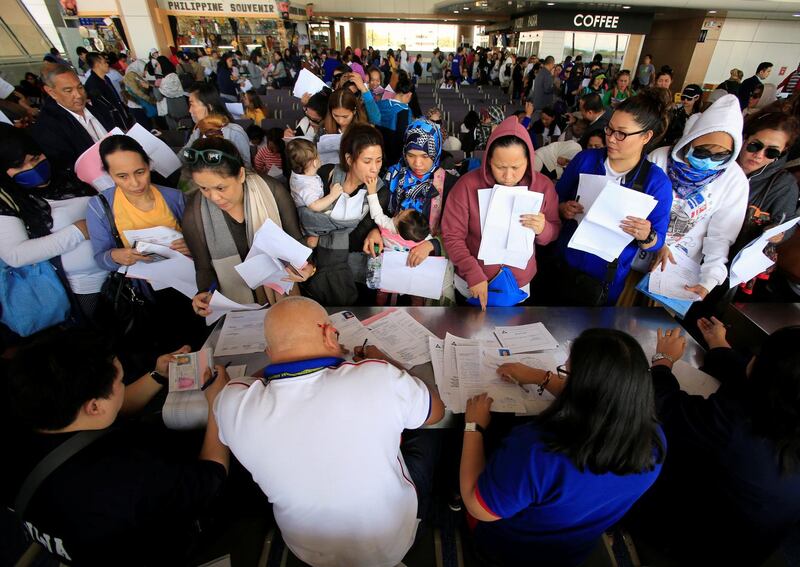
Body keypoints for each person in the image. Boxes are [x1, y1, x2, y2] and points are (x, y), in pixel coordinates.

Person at [213, 296, 444, 567]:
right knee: (430, 431)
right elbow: (436, 411)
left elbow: (253, 380)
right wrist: (388, 362)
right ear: (329, 333)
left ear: (268, 352)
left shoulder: (232, 404)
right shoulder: (377, 375)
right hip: (390, 543)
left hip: (306, 549)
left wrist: (286, 354)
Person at [6, 329, 229, 566]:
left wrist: (158, 375)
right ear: (93, 406)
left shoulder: (26, 428)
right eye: (121, 381)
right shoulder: (129, 477)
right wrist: (218, 403)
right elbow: (214, 472)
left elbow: (115, 409)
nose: (124, 385)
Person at [461, 328, 664, 566]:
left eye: (566, 373)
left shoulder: (537, 451)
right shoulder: (654, 441)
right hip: (574, 548)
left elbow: (478, 508)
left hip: (511, 550)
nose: (563, 377)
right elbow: (603, 402)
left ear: (582, 386)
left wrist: (473, 426)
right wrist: (543, 377)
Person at [628, 321, 800, 566]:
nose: (751, 358)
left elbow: (661, 404)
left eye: (759, 355)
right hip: (750, 550)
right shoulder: (786, 405)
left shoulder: (732, 426)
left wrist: (663, 360)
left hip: (685, 546)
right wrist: (718, 343)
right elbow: (746, 374)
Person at [555, 90, 673, 306]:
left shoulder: (656, 183)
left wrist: (646, 235)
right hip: (562, 265)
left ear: (646, 136)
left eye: (621, 133)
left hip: (603, 280)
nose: (610, 138)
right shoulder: (586, 160)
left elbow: (657, 242)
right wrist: (562, 209)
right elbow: (554, 200)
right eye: (609, 129)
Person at [442, 117, 562, 310]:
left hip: (519, 284)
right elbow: (452, 236)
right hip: (472, 284)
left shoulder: (543, 186)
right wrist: (473, 273)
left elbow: (554, 231)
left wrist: (543, 229)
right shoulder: (467, 185)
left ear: (529, 160)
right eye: (500, 167)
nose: (508, 176)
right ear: (489, 160)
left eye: (516, 168)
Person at [182, 137, 308, 314]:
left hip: (281, 300)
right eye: (204, 188)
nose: (213, 197)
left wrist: (307, 266)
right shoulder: (194, 212)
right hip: (235, 306)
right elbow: (203, 267)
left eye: (221, 188)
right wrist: (204, 293)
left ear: (241, 175)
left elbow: (297, 240)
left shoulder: (271, 191)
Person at [648, 94, 749, 303]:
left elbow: (720, 237)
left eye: (721, 155)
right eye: (702, 152)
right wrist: (656, 244)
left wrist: (710, 279)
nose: (709, 161)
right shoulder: (659, 159)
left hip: (678, 274)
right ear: (690, 140)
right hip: (640, 257)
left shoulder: (734, 180)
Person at [0, 125, 102, 322]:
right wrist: (78, 231)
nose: (31, 169)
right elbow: (16, 254)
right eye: (18, 166)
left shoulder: (65, 172)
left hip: (124, 264)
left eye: (35, 159)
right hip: (87, 288)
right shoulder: (7, 200)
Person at [730, 111, 800, 298]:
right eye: (755, 146)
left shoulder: (783, 185)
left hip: (736, 269)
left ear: (782, 153)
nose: (759, 156)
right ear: (745, 138)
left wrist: (780, 234)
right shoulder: (718, 163)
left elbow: (787, 225)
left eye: (771, 152)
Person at [31, 65, 109, 174]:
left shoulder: (97, 105)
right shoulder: (47, 128)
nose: (78, 95)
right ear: (51, 92)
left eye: (80, 87)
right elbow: (66, 168)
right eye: (68, 90)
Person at [286, 137, 340, 247]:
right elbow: (314, 206)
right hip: (310, 220)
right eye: (318, 155)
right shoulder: (306, 186)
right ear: (315, 162)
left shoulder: (298, 174)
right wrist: (332, 195)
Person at [183, 82, 251, 166]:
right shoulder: (197, 132)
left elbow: (247, 168)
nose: (190, 110)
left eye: (192, 105)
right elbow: (183, 156)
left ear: (209, 106)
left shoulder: (234, 133)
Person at [529, 55, 556, 121]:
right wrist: (554, 87)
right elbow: (547, 89)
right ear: (551, 63)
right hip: (543, 104)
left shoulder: (540, 72)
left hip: (536, 102)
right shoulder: (547, 74)